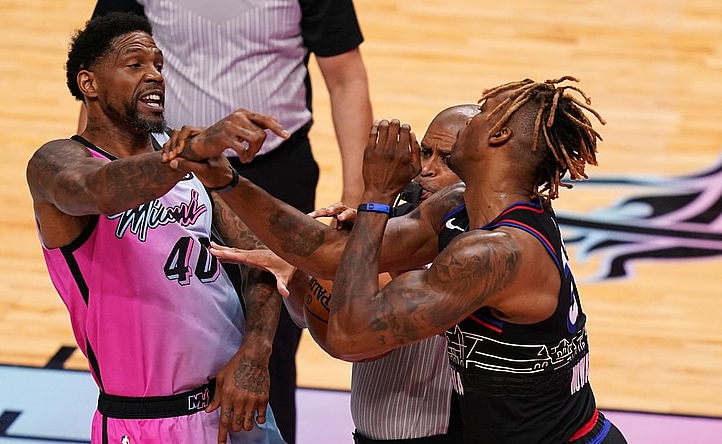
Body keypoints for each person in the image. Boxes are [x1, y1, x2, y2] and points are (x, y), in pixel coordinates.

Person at [163, 76, 628, 443]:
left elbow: (351, 332)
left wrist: (378, 197)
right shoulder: (460, 206)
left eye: (483, 114)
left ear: (500, 135)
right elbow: (329, 253)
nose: (469, 120)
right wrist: (228, 183)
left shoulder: (496, 252)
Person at [85, 3, 373, 440]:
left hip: (276, 173)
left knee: (271, 343)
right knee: (170, 324)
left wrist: (357, 194)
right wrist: (101, 167)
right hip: (167, 170)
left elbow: (345, 75)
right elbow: (103, 65)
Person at [26, 12, 290, 443]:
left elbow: (261, 256)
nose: (155, 76)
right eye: (135, 65)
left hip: (234, 408)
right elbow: (97, 189)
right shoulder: (56, 163)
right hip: (145, 421)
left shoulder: (187, 153)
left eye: (159, 65)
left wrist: (256, 353)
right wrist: (187, 156)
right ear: (89, 83)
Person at [213, 104, 479, 443]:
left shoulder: (478, 242)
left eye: (448, 160)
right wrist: (301, 275)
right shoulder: (398, 210)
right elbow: (314, 318)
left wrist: (357, 251)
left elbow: (405, 323)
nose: (427, 169)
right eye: (426, 152)